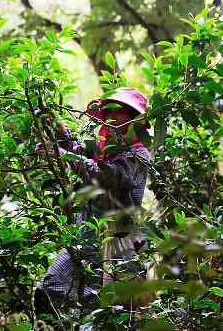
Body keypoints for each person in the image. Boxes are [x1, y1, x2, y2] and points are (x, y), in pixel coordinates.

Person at [34, 87, 152, 313]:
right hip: (88, 233)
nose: (110, 118)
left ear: (134, 120)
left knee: (112, 308)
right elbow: (82, 154)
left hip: (120, 241)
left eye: (118, 113)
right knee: (50, 287)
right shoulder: (103, 148)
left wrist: (61, 154)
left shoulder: (139, 154)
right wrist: (59, 129)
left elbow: (106, 175)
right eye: (108, 112)